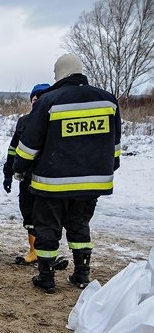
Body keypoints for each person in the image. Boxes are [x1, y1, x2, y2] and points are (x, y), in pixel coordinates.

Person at [15, 53, 121, 293]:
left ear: (59, 73)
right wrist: (105, 169)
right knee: (80, 226)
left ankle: (46, 277)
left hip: (53, 183)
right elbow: (115, 145)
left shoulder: (50, 100)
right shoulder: (108, 101)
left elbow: (30, 144)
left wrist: (19, 168)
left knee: (48, 229)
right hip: (91, 184)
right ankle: (82, 274)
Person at [3, 83, 50, 265]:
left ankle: (46, 251)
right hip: (26, 176)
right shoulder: (24, 121)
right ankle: (33, 251)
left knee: (45, 216)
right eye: (35, 97)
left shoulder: (54, 121)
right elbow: (13, 148)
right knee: (28, 214)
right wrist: (8, 173)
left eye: (42, 97)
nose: (37, 100)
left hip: (48, 178)